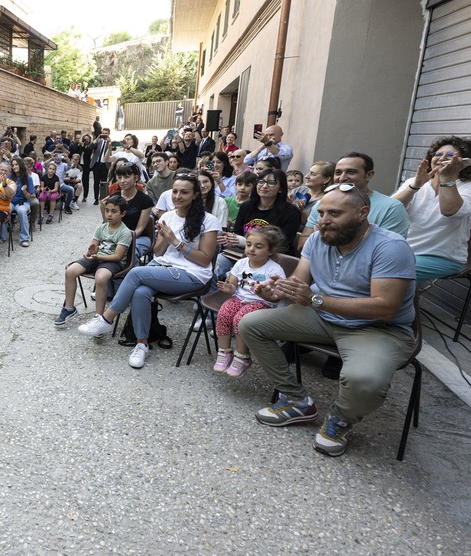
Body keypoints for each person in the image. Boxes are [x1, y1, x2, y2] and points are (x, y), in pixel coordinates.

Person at [239, 185, 417, 457]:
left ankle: (340, 419)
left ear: (362, 213)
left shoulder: (390, 246)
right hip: (323, 316)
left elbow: (386, 307)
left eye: (334, 213)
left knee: (364, 379)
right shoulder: (318, 239)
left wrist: (315, 301)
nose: (324, 220)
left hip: (378, 328)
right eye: (321, 212)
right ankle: (297, 401)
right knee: (252, 323)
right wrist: (277, 291)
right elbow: (298, 284)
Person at [79, 174, 219, 369]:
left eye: (184, 192)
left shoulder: (209, 220)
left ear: (195, 195)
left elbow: (205, 259)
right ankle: (141, 344)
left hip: (193, 275)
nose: (177, 196)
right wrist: (163, 237)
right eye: (175, 191)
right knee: (140, 292)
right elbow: (159, 252)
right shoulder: (169, 216)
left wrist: (176, 242)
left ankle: (106, 318)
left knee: (136, 273)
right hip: (163, 267)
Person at [392, 136, 471, 281]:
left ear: (463, 163)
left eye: (450, 156)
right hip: (405, 252)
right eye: (438, 154)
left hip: (443, 257)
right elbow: (390, 210)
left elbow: (449, 210)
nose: (441, 158)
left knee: (390, 275)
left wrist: (447, 178)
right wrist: (415, 186)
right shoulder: (415, 182)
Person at [212, 226, 287, 377]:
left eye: (258, 247)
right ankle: (224, 351)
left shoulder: (274, 270)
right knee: (224, 313)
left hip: (263, 304)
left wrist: (266, 293)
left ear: (270, 251)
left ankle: (242, 356)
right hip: (240, 298)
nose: (251, 249)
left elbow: (277, 297)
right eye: (248, 245)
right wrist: (228, 287)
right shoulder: (242, 263)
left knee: (241, 319)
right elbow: (233, 285)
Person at [298, 153, 410, 251]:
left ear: (369, 175)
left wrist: (325, 239)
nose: (342, 178)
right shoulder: (322, 204)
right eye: (338, 172)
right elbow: (302, 246)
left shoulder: (391, 208)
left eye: (351, 172)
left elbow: (390, 252)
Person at [55, 195, 132, 327]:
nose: (109, 214)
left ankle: (99, 317)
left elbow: (117, 256)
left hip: (113, 262)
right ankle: (69, 308)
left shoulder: (125, 232)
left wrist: (98, 257)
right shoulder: (101, 228)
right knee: (71, 271)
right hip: (98, 258)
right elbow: (93, 248)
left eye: (114, 211)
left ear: (123, 213)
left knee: (101, 277)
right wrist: (91, 252)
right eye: (107, 210)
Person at [113, 163, 154, 260]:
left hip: (138, 237)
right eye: (119, 177)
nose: (122, 181)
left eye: (127, 177)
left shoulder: (145, 200)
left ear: (136, 178)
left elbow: (139, 229)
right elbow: (109, 223)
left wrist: (123, 241)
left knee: (129, 253)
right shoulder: (114, 197)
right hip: (116, 237)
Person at [10, 157, 35, 247]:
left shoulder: (28, 178)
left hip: (23, 201)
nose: (14, 167)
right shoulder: (10, 177)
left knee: (21, 211)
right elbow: (7, 194)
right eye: (12, 165)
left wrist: (24, 191)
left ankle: (24, 238)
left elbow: (30, 197)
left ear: (20, 165)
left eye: (16, 164)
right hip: (12, 201)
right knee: (4, 209)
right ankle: (2, 235)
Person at [88, 129, 112, 205]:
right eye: (103, 133)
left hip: (105, 165)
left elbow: (113, 148)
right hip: (97, 164)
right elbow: (90, 147)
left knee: (104, 182)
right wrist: (96, 139)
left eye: (106, 134)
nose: (104, 135)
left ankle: (103, 198)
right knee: (96, 182)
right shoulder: (99, 141)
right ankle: (96, 198)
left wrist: (109, 141)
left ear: (109, 134)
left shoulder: (109, 142)